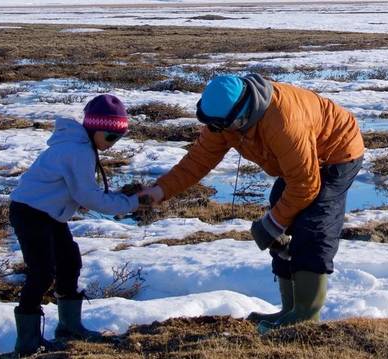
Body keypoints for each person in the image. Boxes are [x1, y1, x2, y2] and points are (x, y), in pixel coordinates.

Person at [140, 74, 364, 333]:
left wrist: (273, 222)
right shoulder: (222, 121)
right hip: (296, 161)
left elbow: (305, 185)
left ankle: (305, 317)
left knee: (313, 228)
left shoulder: (283, 122)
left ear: (242, 116)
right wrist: (159, 190)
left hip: (337, 152)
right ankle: (288, 310)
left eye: (223, 127)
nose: (218, 132)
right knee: (283, 227)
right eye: (213, 126)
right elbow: (198, 161)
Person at [9, 94, 143, 355]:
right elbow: (87, 196)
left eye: (120, 137)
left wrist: (119, 197)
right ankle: (27, 343)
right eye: (112, 137)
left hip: (47, 213)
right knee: (42, 273)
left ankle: (69, 327)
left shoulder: (81, 145)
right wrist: (129, 204)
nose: (114, 144)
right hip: (31, 213)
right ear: (94, 128)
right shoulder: (79, 151)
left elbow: (81, 191)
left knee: (70, 262)